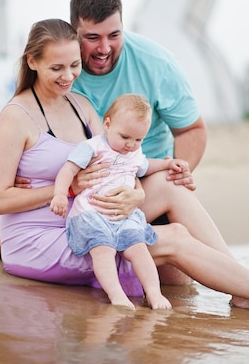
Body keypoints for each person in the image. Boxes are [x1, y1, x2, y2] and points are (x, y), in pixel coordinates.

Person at [0, 17, 249, 317]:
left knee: (165, 183)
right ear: (32, 62)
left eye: (73, 65)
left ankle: (244, 287)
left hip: (88, 213)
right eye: (56, 68)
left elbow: (114, 161)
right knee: (176, 237)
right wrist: (66, 188)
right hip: (39, 240)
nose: (68, 75)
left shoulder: (80, 105)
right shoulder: (17, 116)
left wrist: (133, 191)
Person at [0, 0, 206, 282]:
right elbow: (13, 154)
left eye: (114, 35)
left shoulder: (157, 63)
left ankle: (235, 278)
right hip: (80, 184)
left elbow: (191, 129)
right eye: (92, 38)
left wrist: (176, 172)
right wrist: (6, 174)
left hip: (141, 173)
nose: (104, 48)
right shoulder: (58, 72)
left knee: (176, 280)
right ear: (74, 35)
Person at [51, 94, 185, 310]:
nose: (131, 145)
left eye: (138, 139)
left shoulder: (134, 152)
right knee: (103, 249)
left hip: (123, 215)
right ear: (107, 124)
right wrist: (59, 194)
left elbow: (145, 166)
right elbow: (68, 169)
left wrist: (168, 164)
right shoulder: (93, 147)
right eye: (125, 137)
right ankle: (117, 296)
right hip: (91, 212)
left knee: (138, 248)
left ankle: (154, 293)